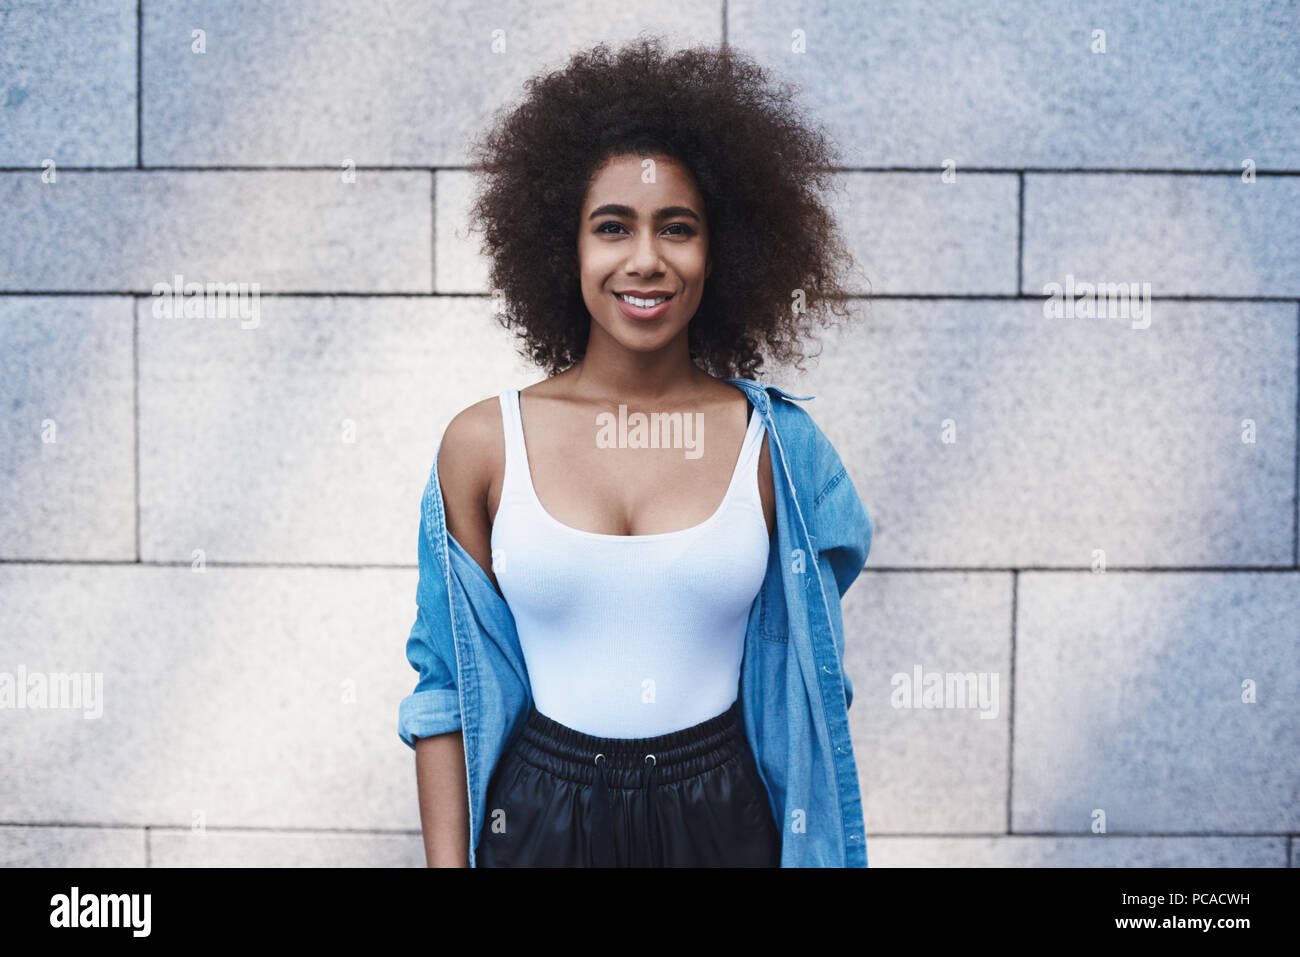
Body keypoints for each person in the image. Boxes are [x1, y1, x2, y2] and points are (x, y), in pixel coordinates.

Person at [399, 37, 873, 867]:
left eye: (678, 228)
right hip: (538, 820)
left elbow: (810, 680)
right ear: (564, 245)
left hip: (725, 820)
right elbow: (442, 690)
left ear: (721, 250)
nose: (646, 259)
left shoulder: (779, 452)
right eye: (612, 226)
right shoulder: (482, 446)